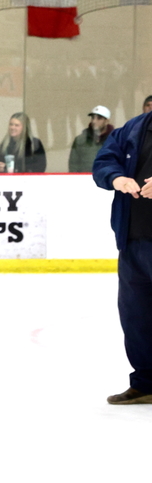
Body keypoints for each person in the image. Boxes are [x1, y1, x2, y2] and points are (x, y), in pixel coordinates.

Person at [92, 108, 152, 404]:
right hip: (132, 242)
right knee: (136, 317)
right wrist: (116, 178)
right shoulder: (133, 129)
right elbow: (104, 160)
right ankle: (145, 383)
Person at [69, 105, 114, 173]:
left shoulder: (115, 140)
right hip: (84, 180)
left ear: (107, 121)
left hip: (106, 180)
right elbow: (73, 164)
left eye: (99, 118)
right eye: (93, 118)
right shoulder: (80, 140)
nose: (94, 121)